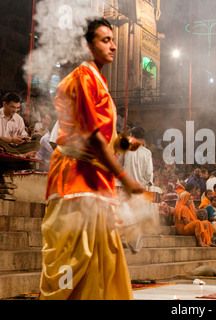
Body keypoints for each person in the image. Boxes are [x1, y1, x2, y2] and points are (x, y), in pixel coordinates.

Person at [39, 18, 145, 300]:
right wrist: (125, 178)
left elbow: (100, 135)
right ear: (87, 46)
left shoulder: (98, 79)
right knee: (72, 258)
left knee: (105, 258)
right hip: (75, 178)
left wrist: (124, 143)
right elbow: (93, 137)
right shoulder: (83, 78)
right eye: (105, 39)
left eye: (113, 39)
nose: (114, 45)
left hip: (96, 181)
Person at [0, 92, 40, 157]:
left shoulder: (18, 118)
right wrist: (12, 140)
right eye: (12, 107)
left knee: (36, 144)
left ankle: (12, 153)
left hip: (14, 148)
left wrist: (25, 139)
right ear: (4, 104)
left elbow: (23, 135)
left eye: (17, 108)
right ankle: (20, 155)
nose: (15, 110)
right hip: (2, 145)